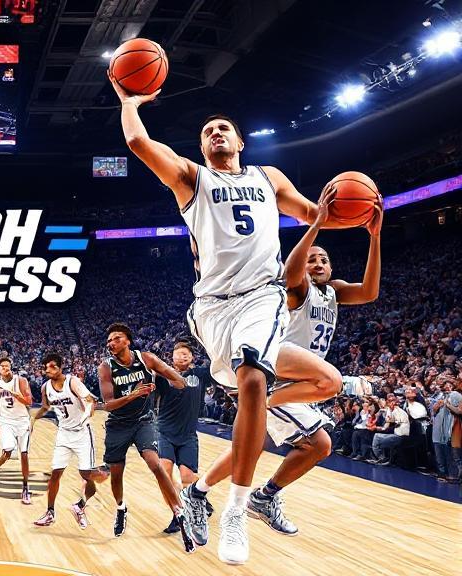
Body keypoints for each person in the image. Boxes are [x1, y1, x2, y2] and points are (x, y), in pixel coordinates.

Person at [110, 74, 343, 564]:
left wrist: (362, 215)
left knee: (300, 379)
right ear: (201, 146)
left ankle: (236, 509)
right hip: (213, 309)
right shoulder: (192, 178)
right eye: (207, 131)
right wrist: (130, 101)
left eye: (223, 129)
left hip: (262, 296)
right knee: (292, 381)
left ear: (240, 141)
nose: (216, 134)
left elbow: (313, 214)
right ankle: (206, 485)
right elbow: (136, 140)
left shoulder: (269, 177)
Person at [183, 189, 380, 539]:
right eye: (312, 260)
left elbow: (369, 292)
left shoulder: (333, 292)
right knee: (323, 412)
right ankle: (248, 487)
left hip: (297, 378)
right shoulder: (298, 289)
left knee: (275, 443)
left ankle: (226, 494)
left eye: (324, 260)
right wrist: (315, 226)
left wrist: (374, 237)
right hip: (275, 368)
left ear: (332, 269)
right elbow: (291, 272)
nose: (317, 264)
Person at [97, 323, 194, 553]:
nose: (111, 343)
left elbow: (172, 376)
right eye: (109, 340)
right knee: (116, 474)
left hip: (143, 422)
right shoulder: (106, 367)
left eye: (116, 338)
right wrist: (133, 395)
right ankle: (121, 508)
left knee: (155, 464)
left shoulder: (146, 359)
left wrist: (181, 383)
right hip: (118, 425)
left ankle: (180, 514)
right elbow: (108, 405)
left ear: (128, 341)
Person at [30, 353, 109, 530]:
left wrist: (87, 414)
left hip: (82, 433)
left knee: (86, 475)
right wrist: (33, 420)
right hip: (64, 434)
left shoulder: (72, 382)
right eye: (46, 367)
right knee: (55, 474)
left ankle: (80, 506)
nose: (48, 370)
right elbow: (45, 406)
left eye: (52, 366)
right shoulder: (45, 388)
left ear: (60, 367)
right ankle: (50, 512)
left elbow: (90, 400)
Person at [156, 342, 215, 534]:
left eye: (186, 354)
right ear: (172, 358)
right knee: (165, 472)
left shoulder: (200, 374)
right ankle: (177, 514)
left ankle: (199, 496)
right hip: (165, 432)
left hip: (188, 435)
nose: (183, 356)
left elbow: (218, 366)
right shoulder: (164, 377)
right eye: (179, 354)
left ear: (192, 358)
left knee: (188, 477)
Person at [0, 357, 34, 504]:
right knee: (7, 451)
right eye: (2, 366)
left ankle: (25, 487)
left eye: (7, 366)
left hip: (22, 420)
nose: (4, 368)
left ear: (11, 367)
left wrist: (19, 396)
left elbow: (30, 402)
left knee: (24, 453)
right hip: (5, 421)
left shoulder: (20, 381)